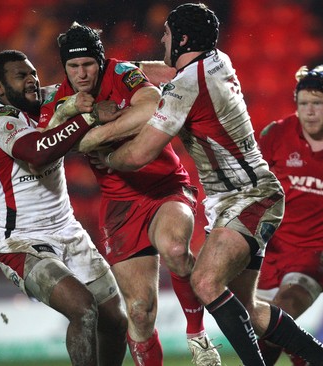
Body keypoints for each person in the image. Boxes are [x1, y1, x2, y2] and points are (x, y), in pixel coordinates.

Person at [94, 3, 323, 366]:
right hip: (249, 195)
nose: (162, 39)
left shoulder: (186, 86)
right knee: (249, 310)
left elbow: (139, 155)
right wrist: (117, 70)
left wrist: (105, 156)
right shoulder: (217, 60)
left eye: (167, 34)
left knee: (206, 283)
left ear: (183, 39)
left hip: (248, 198)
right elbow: (165, 71)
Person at [38, 22, 222, 366]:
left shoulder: (121, 71)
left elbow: (152, 105)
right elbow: (45, 146)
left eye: (88, 64)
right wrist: (89, 118)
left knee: (176, 248)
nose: (82, 73)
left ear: (100, 60)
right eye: (73, 66)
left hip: (164, 185)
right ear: (65, 67)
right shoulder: (60, 98)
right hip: (119, 204)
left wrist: (91, 136)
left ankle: (197, 337)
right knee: (138, 312)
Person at [0, 49, 127, 366]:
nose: (32, 79)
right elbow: (35, 153)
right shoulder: (1, 119)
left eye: (33, 72)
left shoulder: (49, 100)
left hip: (68, 231)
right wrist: (87, 117)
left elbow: (100, 84)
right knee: (83, 308)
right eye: (21, 75)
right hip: (21, 241)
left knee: (116, 320)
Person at [256, 65, 323, 366]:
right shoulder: (276, 134)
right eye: (303, 103)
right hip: (271, 248)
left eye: (317, 103)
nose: (309, 111)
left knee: (283, 309)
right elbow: (254, 184)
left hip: (316, 251)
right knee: (261, 326)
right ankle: (312, 360)